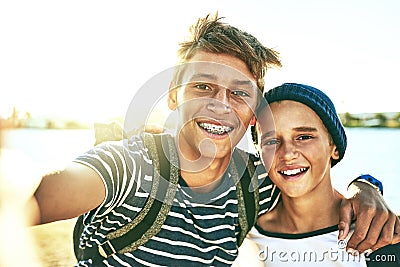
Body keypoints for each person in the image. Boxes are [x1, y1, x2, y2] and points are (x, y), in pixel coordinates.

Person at [27, 14, 398, 266]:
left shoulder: (256, 183)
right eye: (203, 86)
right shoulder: (128, 168)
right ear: (174, 96)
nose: (220, 106)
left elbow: (309, 173)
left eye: (239, 93)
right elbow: (27, 197)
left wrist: (365, 187)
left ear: (254, 112)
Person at [235, 83, 400, 266]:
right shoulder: (242, 234)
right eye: (271, 141)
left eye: (304, 137)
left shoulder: (377, 237)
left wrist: (366, 185)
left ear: (334, 147)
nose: (287, 153)